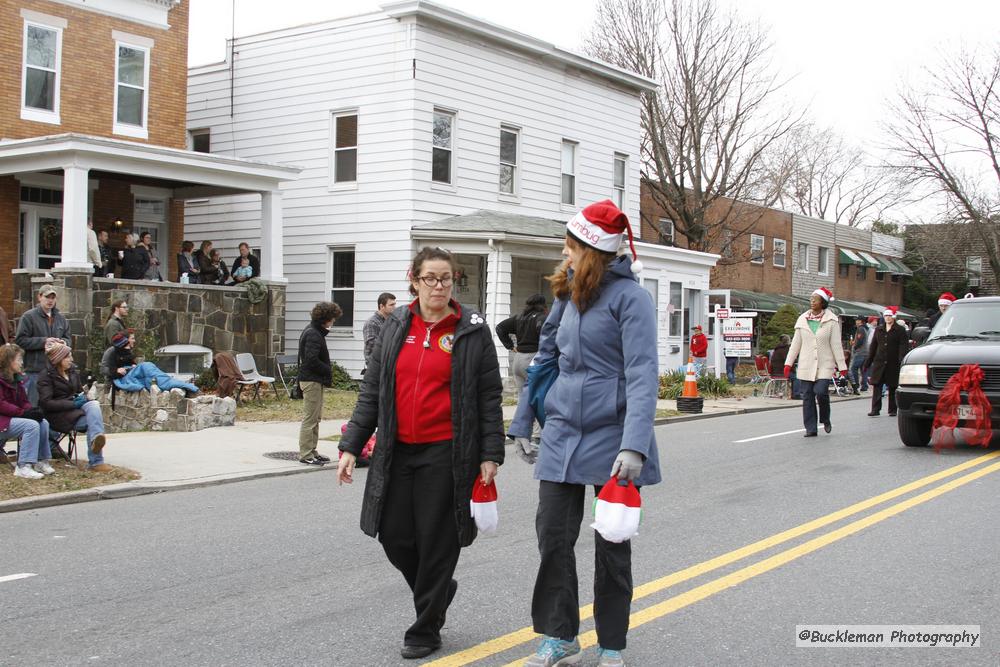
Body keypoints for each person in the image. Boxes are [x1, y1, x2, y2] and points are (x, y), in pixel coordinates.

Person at [508, 200, 660, 667]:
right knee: (552, 536)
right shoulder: (566, 293)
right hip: (562, 431)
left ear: (592, 250)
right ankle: (560, 635)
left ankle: (611, 643)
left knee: (611, 545)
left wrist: (634, 445)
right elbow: (545, 360)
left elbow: (642, 372)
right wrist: (522, 420)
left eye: (571, 245)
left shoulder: (631, 299)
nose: (564, 252)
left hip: (612, 434)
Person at [337, 246, 504, 661]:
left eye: (446, 278)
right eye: (430, 278)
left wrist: (490, 453)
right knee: (394, 535)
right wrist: (350, 445)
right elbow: (372, 390)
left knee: (436, 540)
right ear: (413, 279)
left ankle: (426, 628)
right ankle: (439, 590)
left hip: (447, 452)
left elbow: (488, 395)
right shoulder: (396, 324)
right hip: (397, 450)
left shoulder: (470, 329)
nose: (439, 286)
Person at [783, 287, 848, 437]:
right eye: (811, 299)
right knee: (807, 396)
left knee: (821, 392)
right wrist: (788, 363)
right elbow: (795, 345)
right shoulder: (802, 320)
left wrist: (842, 367)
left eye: (815, 299)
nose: (812, 301)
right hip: (806, 365)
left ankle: (825, 418)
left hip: (825, 364)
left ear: (823, 302)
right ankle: (810, 428)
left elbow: (836, 346)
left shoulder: (831, 321)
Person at [37, 344, 111, 472]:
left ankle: (96, 444)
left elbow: (79, 392)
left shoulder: (72, 373)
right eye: (68, 357)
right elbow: (46, 403)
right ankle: (96, 461)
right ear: (59, 359)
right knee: (93, 421)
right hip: (57, 416)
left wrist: (83, 397)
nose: (71, 359)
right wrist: (73, 403)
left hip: (74, 413)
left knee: (93, 405)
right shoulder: (46, 376)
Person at [297, 301, 341, 465]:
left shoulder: (315, 331)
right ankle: (306, 454)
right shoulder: (313, 334)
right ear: (326, 318)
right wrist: (327, 369)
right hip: (311, 380)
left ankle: (313, 451)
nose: (334, 321)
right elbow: (310, 360)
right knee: (310, 418)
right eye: (333, 318)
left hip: (314, 380)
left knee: (316, 418)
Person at [0, 343, 53, 480]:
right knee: (31, 425)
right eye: (19, 359)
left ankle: (41, 461)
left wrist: (31, 411)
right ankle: (23, 466)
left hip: (11, 417)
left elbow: (23, 401)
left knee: (43, 423)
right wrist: (22, 413)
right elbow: (1, 404)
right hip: (2, 420)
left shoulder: (16, 380)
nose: (22, 362)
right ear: (9, 361)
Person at [14, 284, 71, 406]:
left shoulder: (61, 318)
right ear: (39, 297)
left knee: (54, 407)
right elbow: (20, 340)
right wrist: (44, 341)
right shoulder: (28, 317)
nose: (50, 300)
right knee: (33, 406)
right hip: (35, 371)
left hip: (56, 371)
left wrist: (63, 343)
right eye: (47, 297)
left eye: (53, 297)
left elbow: (68, 338)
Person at [106, 332, 199, 395]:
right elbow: (109, 370)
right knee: (147, 367)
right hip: (126, 377)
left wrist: (133, 366)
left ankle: (179, 384)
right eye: (132, 338)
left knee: (151, 369)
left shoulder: (128, 352)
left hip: (136, 373)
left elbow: (133, 365)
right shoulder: (113, 353)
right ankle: (179, 385)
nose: (134, 340)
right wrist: (117, 370)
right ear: (126, 341)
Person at [863, 306, 910, 417]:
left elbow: (903, 346)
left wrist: (901, 360)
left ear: (893, 317)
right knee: (877, 386)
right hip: (879, 362)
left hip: (893, 363)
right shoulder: (879, 329)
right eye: (886, 316)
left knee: (893, 387)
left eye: (889, 316)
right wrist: (868, 363)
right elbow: (873, 347)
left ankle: (892, 409)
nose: (887, 318)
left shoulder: (900, 330)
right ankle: (875, 409)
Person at [362, 292, 397, 372]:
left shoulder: (392, 322)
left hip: (388, 366)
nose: (395, 307)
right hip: (376, 368)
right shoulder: (372, 323)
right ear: (382, 306)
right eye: (391, 305)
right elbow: (373, 347)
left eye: (394, 304)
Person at [849, 316, 870, 392]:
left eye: (857, 320)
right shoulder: (866, 329)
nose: (856, 322)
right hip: (866, 352)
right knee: (864, 370)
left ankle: (856, 384)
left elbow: (860, 340)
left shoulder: (860, 329)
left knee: (853, 368)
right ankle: (864, 386)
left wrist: (855, 347)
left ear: (860, 321)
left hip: (860, 352)